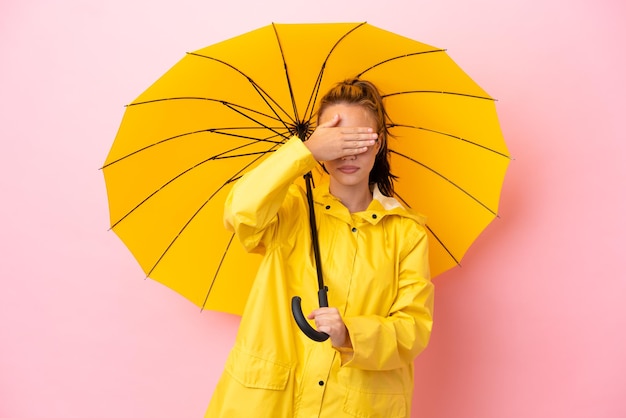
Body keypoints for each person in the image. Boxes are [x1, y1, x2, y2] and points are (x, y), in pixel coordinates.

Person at [206, 78, 434, 417]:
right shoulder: (290, 207)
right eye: (336, 139)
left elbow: (413, 328)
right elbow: (240, 213)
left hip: (356, 405)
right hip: (270, 402)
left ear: (379, 143)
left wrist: (350, 333)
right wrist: (304, 152)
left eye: (358, 138)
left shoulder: (405, 231)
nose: (348, 152)